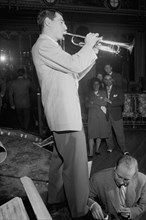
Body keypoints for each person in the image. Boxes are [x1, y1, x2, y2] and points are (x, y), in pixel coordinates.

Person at [31, 9, 101, 220]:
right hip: (65, 116)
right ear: (48, 22)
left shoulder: (50, 47)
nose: (66, 27)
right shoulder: (44, 44)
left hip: (62, 115)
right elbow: (74, 63)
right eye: (61, 22)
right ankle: (80, 212)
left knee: (59, 161)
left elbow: (75, 73)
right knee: (77, 168)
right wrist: (88, 45)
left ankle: (55, 200)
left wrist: (93, 52)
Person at [88, 155, 146, 220]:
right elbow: (84, 197)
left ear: (135, 174)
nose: (121, 182)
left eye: (126, 179)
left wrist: (131, 212)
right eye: (119, 176)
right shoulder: (97, 179)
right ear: (115, 167)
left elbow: (145, 204)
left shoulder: (143, 180)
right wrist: (92, 204)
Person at [103, 74, 128, 155]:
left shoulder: (118, 89)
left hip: (116, 115)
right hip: (105, 115)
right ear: (104, 80)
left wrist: (110, 101)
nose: (108, 81)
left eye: (109, 79)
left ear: (112, 80)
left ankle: (124, 149)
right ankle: (110, 147)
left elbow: (121, 102)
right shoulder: (102, 90)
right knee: (107, 133)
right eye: (106, 79)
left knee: (119, 133)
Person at [85, 77, 109, 158]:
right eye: (94, 84)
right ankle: (91, 153)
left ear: (100, 85)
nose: (96, 85)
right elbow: (87, 104)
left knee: (99, 134)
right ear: (92, 85)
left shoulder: (103, 92)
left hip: (101, 116)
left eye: (97, 84)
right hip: (92, 116)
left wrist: (93, 101)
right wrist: (99, 101)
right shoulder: (89, 93)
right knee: (91, 135)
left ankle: (97, 150)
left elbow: (104, 103)